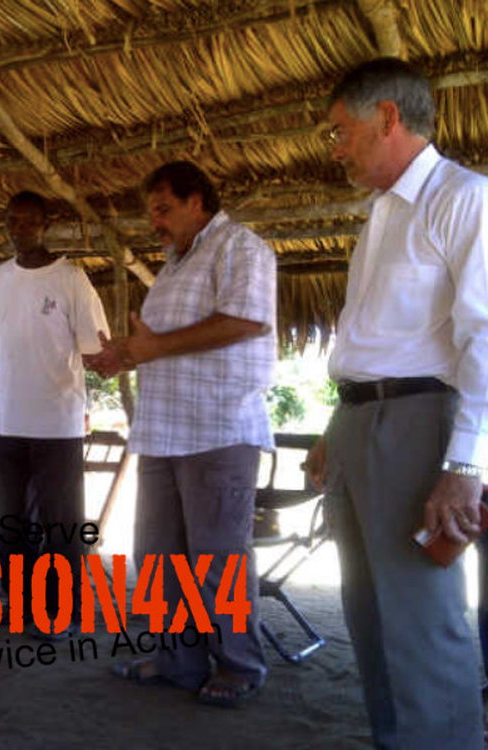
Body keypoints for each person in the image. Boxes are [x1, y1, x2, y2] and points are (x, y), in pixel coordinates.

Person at [304, 57, 488, 749]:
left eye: (340, 131)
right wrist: (335, 426)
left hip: (418, 423)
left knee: (420, 616)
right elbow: (368, 341)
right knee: (369, 612)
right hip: (360, 421)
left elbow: (484, 338)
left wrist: (464, 464)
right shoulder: (381, 214)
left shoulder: (464, 199)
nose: (336, 148)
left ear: (387, 117)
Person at [85, 160, 276, 706]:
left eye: (164, 209)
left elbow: (245, 321)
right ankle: (178, 662)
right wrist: (126, 354)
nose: (155, 223)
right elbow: (164, 343)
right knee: (160, 558)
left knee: (217, 561)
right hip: (163, 429)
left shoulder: (240, 247)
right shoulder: (173, 265)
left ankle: (238, 665)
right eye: (152, 212)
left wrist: (153, 348)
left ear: (198, 201)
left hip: (218, 427)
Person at [0, 190, 110, 637]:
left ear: (46, 224)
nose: (19, 230)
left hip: (57, 424)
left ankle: (62, 612)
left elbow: (95, 349)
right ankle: (20, 604)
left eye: (28, 221)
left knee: (61, 526)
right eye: (11, 221)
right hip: (4, 422)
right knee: (8, 524)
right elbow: (4, 345)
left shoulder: (72, 279)